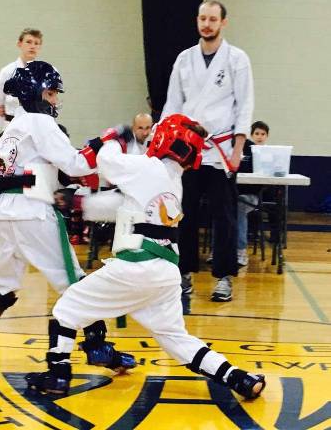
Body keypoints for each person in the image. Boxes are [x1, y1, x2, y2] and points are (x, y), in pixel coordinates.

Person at [24, 114, 266, 400]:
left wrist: (117, 137)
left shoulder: (148, 168)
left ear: (164, 139)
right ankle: (238, 377)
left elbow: (107, 161)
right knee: (175, 338)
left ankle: (57, 375)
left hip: (136, 268)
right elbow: (123, 205)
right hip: (163, 274)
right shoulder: (173, 181)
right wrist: (77, 202)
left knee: (66, 311)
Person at [0, 61, 133, 372]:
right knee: (75, 283)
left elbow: (26, 172)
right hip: (32, 213)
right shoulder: (39, 122)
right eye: (50, 93)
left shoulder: (11, 129)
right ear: (35, 92)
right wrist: (107, 140)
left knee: (3, 286)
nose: (55, 100)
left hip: (4, 215)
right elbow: (76, 164)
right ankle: (97, 347)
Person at [161, 0, 254, 301]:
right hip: (187, 150)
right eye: (203, 18)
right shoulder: (185, 59)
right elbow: (172, 104)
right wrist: (162, 144)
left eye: (213, 19)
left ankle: (224, 276)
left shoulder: (236, 59)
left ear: (223, 23)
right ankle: (183, 272)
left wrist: (239, 147)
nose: (207, 24)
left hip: (221, 148)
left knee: (224, 217)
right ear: (197, 21)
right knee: (182, 214)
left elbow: (245, 104)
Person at [0, 28, 42, 132]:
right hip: (12, 128)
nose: (32, 46)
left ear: (39, 47)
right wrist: (4, 124)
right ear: (19, 44)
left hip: (35, 130)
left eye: (36, 43)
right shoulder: (7, 72)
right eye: (28, 42)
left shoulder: (44, 73)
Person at [237, 121, 269, 266]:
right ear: (251, 135)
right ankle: (217, 251)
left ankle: (241, 251)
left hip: (252, 196)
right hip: (233, 193)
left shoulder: (268, 154)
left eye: (263, 134)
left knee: (239, 206)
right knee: (221, 205)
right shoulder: (244, 150)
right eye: (257, 133)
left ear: (267, 136)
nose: (260, 137)